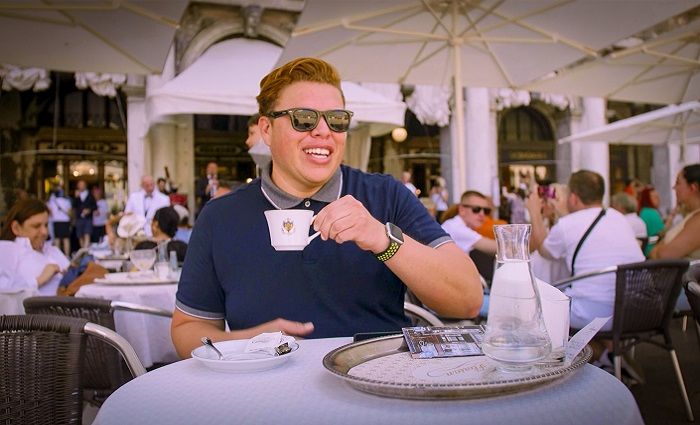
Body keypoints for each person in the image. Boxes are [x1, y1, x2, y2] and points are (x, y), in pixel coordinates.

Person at [171, 57, 482, 358]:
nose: (323, 131)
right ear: (266, 129)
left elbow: (466, 301)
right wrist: (248, 342)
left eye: (336, 119)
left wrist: (383, 239)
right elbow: (187, 329)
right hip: (264, 395)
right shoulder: (221, 216)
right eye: (303, 118)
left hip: (378, 388)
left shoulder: (385, 195)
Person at [527, 170, 644, 331]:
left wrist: (534, 212)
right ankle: (608, 353)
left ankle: (600, 353)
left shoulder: (567, 225)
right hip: (638, 310)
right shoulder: (618, 217)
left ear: (573, 198)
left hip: (596, 314)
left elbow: (543, 250)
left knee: (532, 306)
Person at [0, 199, 70, 295]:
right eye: (36, 226)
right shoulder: (8, 250)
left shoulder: (52, 249)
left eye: (46, 225)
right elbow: (4, 291)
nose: (45, 232)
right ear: (16, 228)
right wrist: (39, 280)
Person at [650, 164, 700, 260]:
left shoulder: (698, 221)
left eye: (678, 183)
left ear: (692, 188)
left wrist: (656, 251)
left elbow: (664, 255)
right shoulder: (691, 215)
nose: (674, 188)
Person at [441, 191, 497, 256]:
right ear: (462, 210)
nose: (482, 214)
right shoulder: (457, 228)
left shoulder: (453, 224)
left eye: (486, 211)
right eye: (476, 209)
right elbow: (497, 248)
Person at [637, 186, 664, 255]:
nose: (659, 199)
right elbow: (662, 233)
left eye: (658, 197)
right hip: (653, 251)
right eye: (655, 197)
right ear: (647, 199)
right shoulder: (651, 212)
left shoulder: (643, 211)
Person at [46, 184, 72, 256]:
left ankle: (58, 256)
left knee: (57, 239)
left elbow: (49, 212)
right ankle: (67, 256)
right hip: (65, 221)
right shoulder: (67, 201)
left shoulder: (51, 202)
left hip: (56, 221)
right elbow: (70, 212)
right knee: (66, 239)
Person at [72, 180, 96, 249]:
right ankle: (83, 251)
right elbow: (73, 206)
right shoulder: (77, 196)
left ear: (85, 186)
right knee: (80, 235)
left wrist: (89, 210)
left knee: (87, 234)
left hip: (88, 218)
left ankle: (86, 250)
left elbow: (95, 206)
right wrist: (76, 197)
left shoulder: (90, 195)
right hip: (79, 218)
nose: (81, 186)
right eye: (80, 185)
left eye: (82, 184)